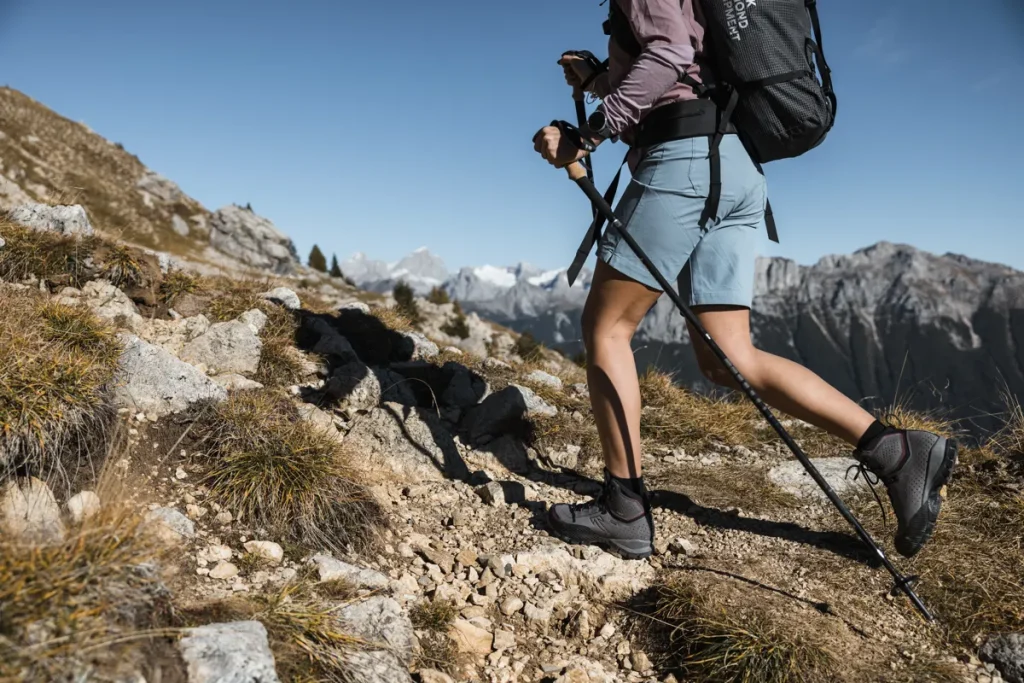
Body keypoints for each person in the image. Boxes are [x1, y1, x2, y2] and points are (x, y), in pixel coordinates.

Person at [531, 0, 958, 561]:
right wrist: (600, 78)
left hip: (682, 160)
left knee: (607, 329)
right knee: (726, 354)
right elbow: (686, 66)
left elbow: (669, 54)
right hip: (733, 165)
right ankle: (898, 450)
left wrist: (588, 133)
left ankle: (624, 509)